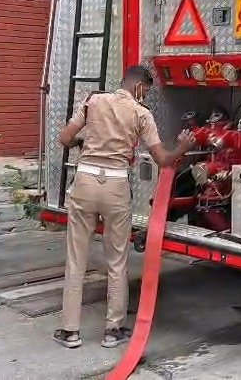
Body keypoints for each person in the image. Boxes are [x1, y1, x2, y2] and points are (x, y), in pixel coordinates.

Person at [53, 65, 196, 349]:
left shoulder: (93, 101)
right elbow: (163, 159)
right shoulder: (141, 113)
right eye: (147, 90)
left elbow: (64, 138)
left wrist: (83, 142)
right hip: (116, 186)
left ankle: (70, 331)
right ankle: (113, 331)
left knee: (76, 259)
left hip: (85, 182)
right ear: (139, 86)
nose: (146, 95)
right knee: (117, 261)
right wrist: (182, 146)